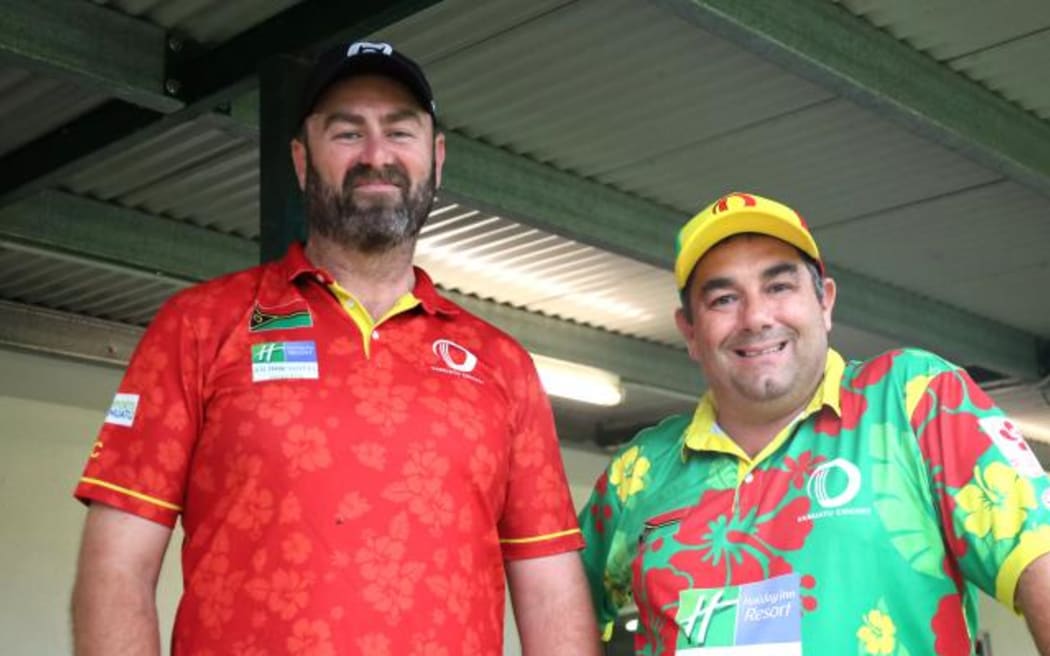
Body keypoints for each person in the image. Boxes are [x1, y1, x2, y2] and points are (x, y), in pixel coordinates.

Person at [71, 41, 599, 656]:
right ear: (301, 160)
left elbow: (550, 592)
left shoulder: (502, 365)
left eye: (400, 132)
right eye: (347, 133)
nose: (377, 156)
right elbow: (116, 570)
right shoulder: (198, 327)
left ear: (437, 157)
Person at [578, 191, 1050, 655]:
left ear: (824, 301)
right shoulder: (639, 471)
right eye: (723, 299)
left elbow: (1040, 559)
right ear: (690, 331)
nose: (756, 317)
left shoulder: (912, 399)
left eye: (779, 286)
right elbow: (559, 608)